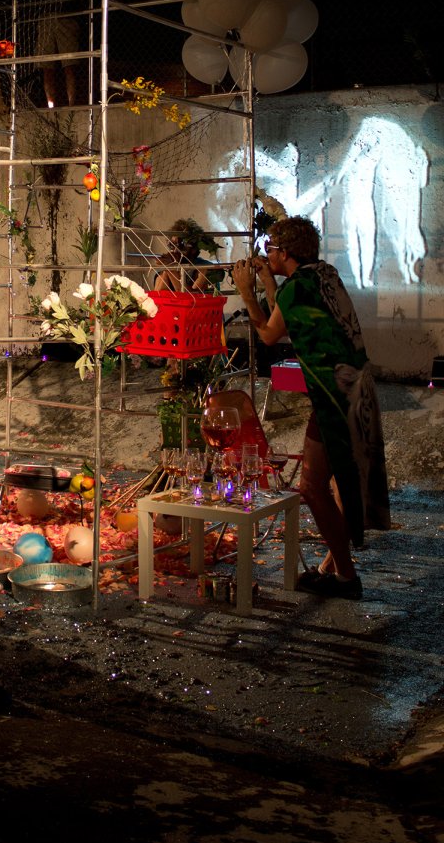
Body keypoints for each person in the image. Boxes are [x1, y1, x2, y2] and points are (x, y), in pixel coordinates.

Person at [231, 216, 391, 599]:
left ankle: (347, 578)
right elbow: (285, 313)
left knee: (313, 488)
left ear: (284, 252)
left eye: (269, 249)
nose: (266, 254)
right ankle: (336, 569)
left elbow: (270, 333)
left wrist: (248, 294)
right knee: (334, 484)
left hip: (335, 398)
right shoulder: (323, 275)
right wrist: (271, 283)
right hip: (356, 388)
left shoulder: (296, 289)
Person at [31, 0, 81, 109]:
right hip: (45, 19)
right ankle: (51, 104)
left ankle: (72, 103)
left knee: (69, 65)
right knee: (47, 67)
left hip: (66, 17)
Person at [154, 218, 224, 294]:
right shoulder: (166, 267)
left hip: (198, 304)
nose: (175, 251)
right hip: (172, 304)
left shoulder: (204, 267)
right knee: (163, 275)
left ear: (194, 248)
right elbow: (157, 298)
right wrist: (168, 269)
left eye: (180, 245)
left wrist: (172, 269)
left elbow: (193, 299)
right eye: (171, 245)